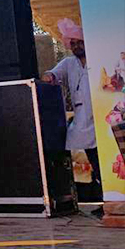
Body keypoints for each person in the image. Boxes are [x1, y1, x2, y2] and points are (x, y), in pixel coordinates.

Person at [42, 19, 100, 200]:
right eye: (72, 43)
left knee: (104, 159)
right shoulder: (68, 63)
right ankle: (100, 198)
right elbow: (53, 74)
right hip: (82, 118)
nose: (76, 46)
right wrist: (49, 76)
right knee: (90, 159)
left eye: (79, 42)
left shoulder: (98, 58)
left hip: (102, 114)